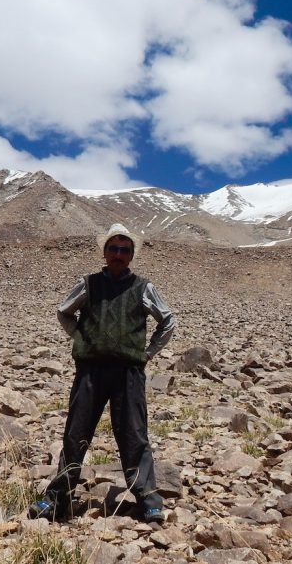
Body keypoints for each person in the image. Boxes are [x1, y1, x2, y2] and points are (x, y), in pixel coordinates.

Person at [29, 223, 177, 523]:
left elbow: (168, 322)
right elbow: (64, 312)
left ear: (132, 254)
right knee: (76, 433)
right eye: (113, 248)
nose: (118, 254)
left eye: (125, 250)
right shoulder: (89, 284)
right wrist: (82, 337)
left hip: (128, 372)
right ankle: (58, 498)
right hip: (91, 370)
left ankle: (148, 498)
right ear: (105, 251)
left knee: (134, 434)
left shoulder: (144, 288)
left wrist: (147, 354)